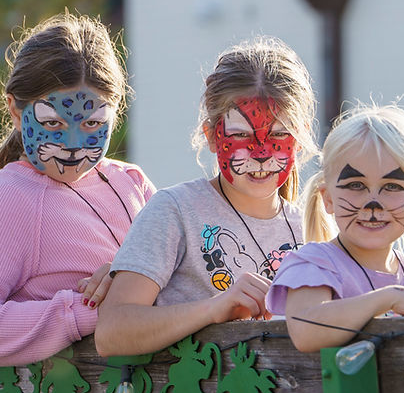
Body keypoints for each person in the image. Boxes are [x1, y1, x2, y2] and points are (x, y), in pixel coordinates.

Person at [0, 12, 155, 367]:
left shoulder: (132, 182)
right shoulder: (9, 201)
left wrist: (130, 279)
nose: (74, 144)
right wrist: (88, 311)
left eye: (93, 123)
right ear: (16, 111)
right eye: (52, 123)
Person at [96, 36, 318, 356]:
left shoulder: (313, 230)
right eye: (240, 135)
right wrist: (213, 310)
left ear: (299, 137)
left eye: (279, 134)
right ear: (211, 137)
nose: (260, 153)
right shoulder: (176, 211)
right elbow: (112, 332)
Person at [266, 102, 404, 352]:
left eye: (392, 186)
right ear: (328, 198)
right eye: (355, 185)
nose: (372, 204)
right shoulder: (313, 264)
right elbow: (307, 332)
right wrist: (389, 298)